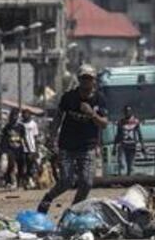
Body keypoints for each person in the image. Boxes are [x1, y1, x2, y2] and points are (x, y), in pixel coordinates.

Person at [37, 64, 108, 215]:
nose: (86, 82)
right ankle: (47, 198)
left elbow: (104, 124)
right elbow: (58, 117)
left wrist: (92, 114)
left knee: (86, 183)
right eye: (83, 79)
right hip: (67, 145)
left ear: (94, 81)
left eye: (89, 79)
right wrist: (51, 136)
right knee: (66, 181)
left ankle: (73, 211)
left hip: (87, 146)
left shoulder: (99, 99)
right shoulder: (69, 97)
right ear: (79, 79)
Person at [0, 109, 27, 189]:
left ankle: (19, 181)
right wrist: (2, 150)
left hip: (19, 148)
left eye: (16, 116)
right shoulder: (7, 127)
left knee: (21, 165)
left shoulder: (21, 127)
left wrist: (27, 148)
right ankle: (8, 181)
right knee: (11, 164)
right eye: (13, 116)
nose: (14, 118)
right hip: (10, 149)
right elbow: (3, 139)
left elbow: (24, 138)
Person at [114, 106, 144, 176]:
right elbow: (117, 135)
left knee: (131, 166)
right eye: (126, 111)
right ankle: (122, 181)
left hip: (132, 146)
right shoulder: (121, 122)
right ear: (124, 112)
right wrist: (114, 148)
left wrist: (142, 146)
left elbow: (139, 134)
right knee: (122, 164)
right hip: (123, 146)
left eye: (129, 111)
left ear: (131, 112)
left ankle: (129, 182)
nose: (127, 113)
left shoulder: (136, 122)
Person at [21, 110, 40, 188]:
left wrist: (36, 149)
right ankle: (24, 181)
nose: (25, 115)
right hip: (22, 147)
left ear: (29, 115)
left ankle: (30, 180)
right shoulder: (20, 124)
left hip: (32, 148)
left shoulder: (33, 124)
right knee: (23, 164)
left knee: (31, 165)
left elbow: (35, 137)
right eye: (24, 114)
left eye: (26, 114)